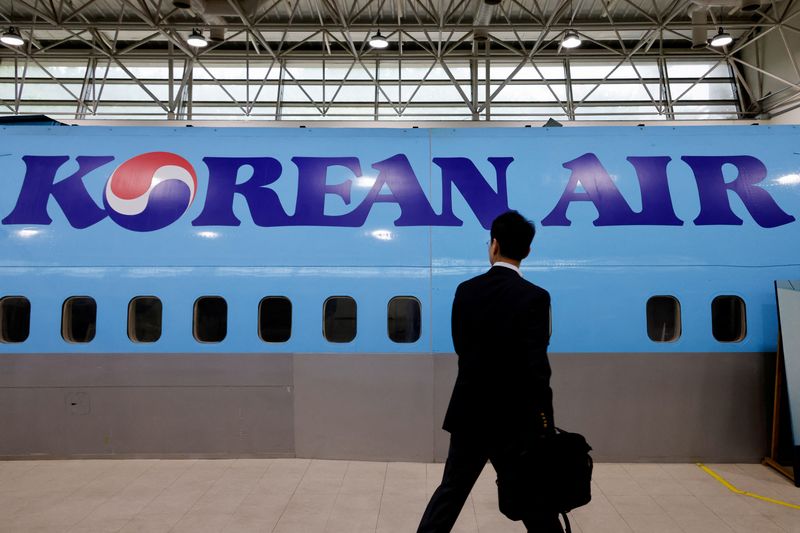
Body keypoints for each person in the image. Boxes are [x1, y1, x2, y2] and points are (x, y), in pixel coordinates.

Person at [417, 210, 561, 533]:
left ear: (493, 246)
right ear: (527, 251)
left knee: (450, 495)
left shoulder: (466, 291)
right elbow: (538, 370)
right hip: (515, 422)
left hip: (469, 415)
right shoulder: (536, 298)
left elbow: (461, 347)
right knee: (535, 504)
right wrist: (545, 425)